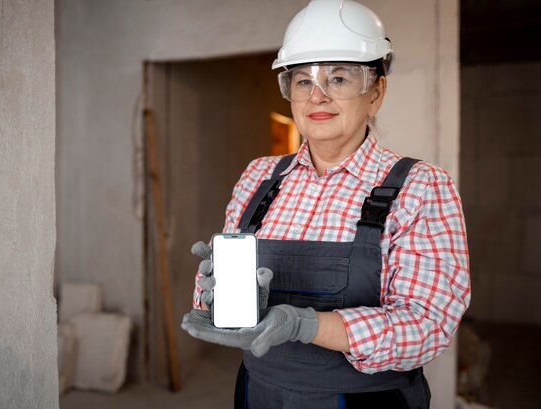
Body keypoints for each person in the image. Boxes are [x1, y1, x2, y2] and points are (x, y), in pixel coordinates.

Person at [181, 0, 471, 408]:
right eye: (302, 81)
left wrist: (306, 324)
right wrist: (216, 298)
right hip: (257, 393)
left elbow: (428, 325)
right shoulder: (259, 178)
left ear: (376, 92)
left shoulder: (421, 187)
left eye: (338, 79)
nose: (317, 96)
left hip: (364, 400)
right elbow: (214, 297)